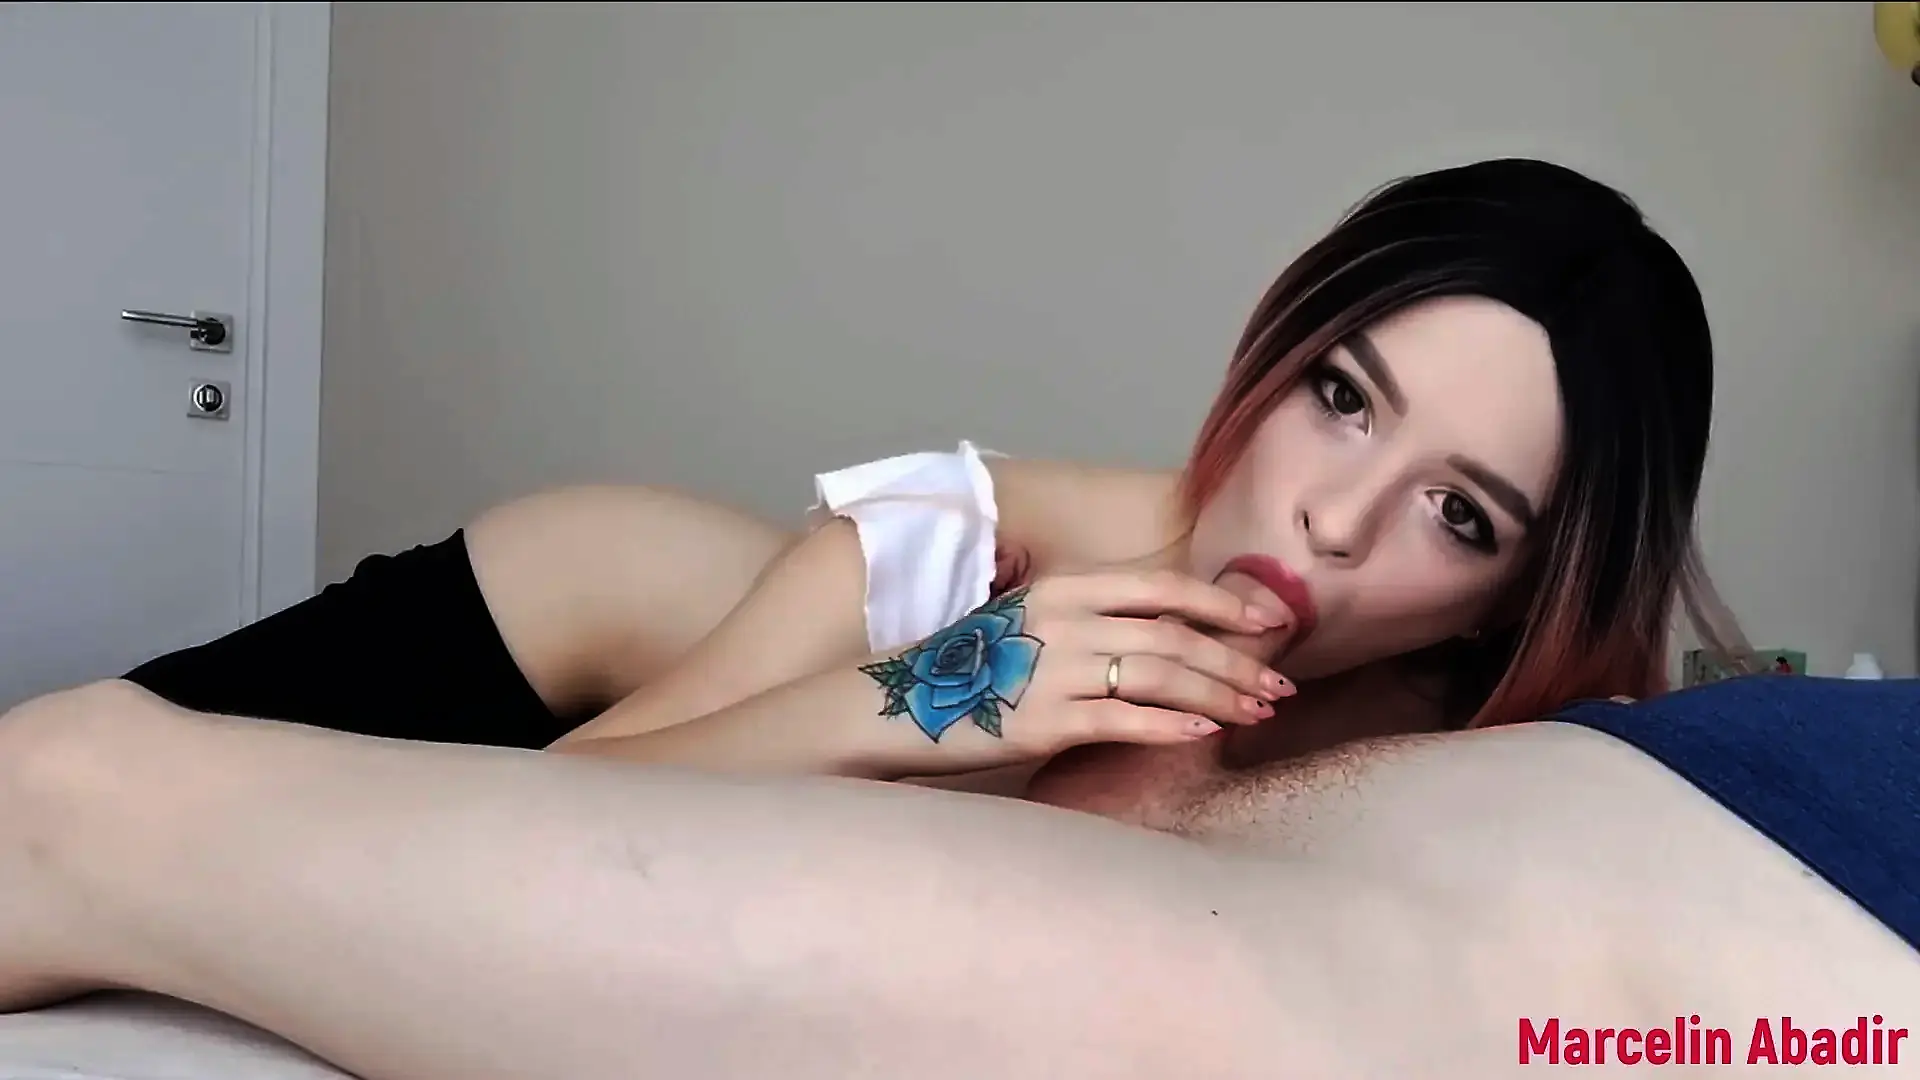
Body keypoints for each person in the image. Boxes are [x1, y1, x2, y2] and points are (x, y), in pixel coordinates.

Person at [119, 157, 1749, 812]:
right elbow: (541, 817)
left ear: (1515, 598)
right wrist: (955, 689)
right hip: (547, 621)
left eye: (1461, 514)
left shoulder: (1466, 750)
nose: (1337, 516)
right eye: (1341, 398)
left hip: (680, 657)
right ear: (1279, 345)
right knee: (90, 796)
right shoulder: (964, 544)